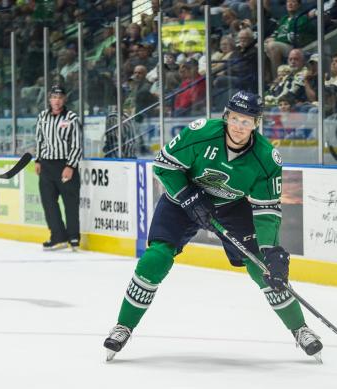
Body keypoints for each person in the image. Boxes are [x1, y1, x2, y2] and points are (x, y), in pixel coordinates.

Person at [103, 91, 323, 361]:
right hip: (180, 201)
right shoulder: (201, 133)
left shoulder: (266, 158)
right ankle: (124, 325)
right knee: (155, 258)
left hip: (230, 207)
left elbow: (267, 210)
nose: (240, 127)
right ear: (226, 117)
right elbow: (164, 165)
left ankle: (300, 329)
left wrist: (270, 249)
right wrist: (187, 195)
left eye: (247, 121)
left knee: (262, 267)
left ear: (256, 123)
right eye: (236, 119)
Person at [34, 84, 83, 251]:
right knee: (49, 202)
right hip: (46, 165)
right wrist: (38, 160)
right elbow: (39, 140)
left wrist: (70, 165)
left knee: (70, 202)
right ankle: (58, 236)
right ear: (49, 99)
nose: (56, 100)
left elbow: (77, 144)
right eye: (54, 97)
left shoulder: (71, 118)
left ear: (64, 99)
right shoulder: (42, 117)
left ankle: (74, 237)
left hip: (65, 165)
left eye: (60, 97)